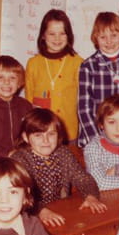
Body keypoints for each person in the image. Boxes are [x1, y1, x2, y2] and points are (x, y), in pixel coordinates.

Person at [10, 108, 105, 227]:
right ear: (25, 137)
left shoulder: (63, 153)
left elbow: (83, 179)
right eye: (38, 135)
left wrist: (91, 196)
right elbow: (21, 195)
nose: (46, 140)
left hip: (61, 212)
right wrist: (40, 211)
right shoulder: (19, 160)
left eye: (51, 134)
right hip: (29, 218)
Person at [77, 11, 119, 147]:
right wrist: (96, 141)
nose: (109, 41)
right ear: (96, 38)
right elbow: (84, 108)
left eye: (114, 35)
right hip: (95, 136)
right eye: (103, 37)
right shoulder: (88, 66)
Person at [25, 9, 83, 143]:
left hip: (68, 134)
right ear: (43, 36)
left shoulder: (78, 63)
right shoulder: (33, 63)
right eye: (52, 34)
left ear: (69, 36)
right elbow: (29, 102)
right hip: (41, 134)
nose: (57, 39)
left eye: (62, 33)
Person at [83, 94, 119, 190]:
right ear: (101, 124)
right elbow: (98, 183)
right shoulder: (94, 148)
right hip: (104, 198)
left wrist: (117, 170)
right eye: (112, 122)